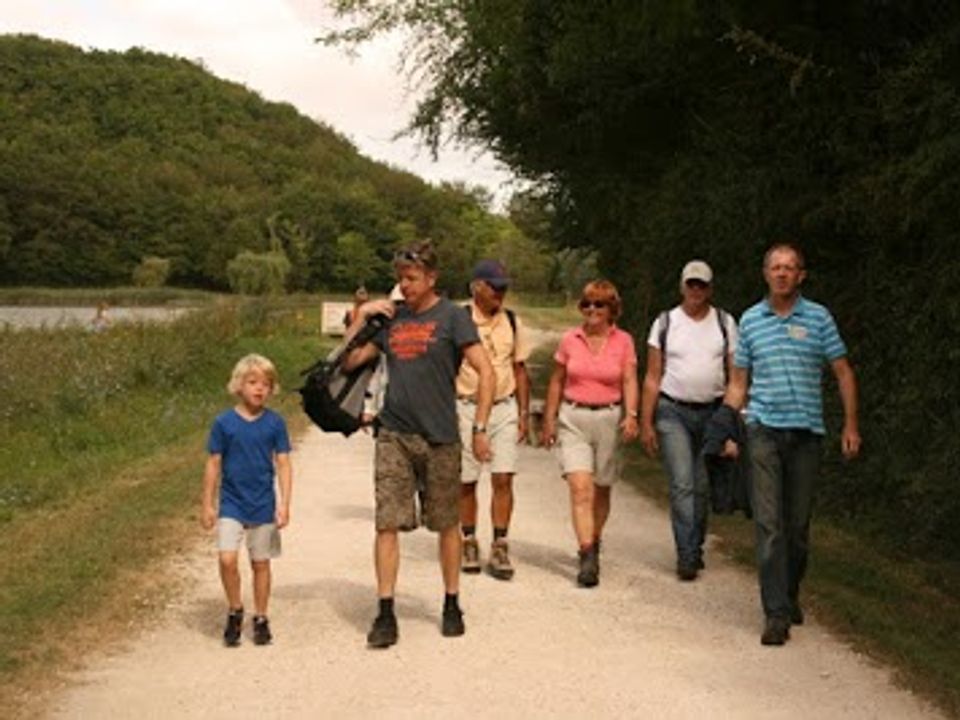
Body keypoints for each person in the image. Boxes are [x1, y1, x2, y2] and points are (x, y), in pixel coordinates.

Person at [342, 240, 495, 648]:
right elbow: (349, 361)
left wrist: (480, 427)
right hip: (393, 434)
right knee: (386, 522)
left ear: (432, 278)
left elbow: (486, 371)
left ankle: (451, 602)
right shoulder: (393, 319)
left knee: (446, 524)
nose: (404, 286)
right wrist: (362, 317)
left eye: (411, 279)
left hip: (440, 437)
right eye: (400, 279)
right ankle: (386, 611)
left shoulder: (453, 318)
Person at [723, 242, 861, 646]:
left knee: (797, 528)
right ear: (765, 274)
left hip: (806, 435)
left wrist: (850, 425)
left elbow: (843, 373)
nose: (782, 274)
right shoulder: (750, 320)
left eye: (790, 268)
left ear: (801, 275)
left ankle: (790, 592)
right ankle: (775, 613)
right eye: (775, 267)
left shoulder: (818, 319)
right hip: (762, 430)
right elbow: (738, 383)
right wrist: (728, 427)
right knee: (769, 525)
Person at [640, 260, 738, 581]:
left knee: (701, 486)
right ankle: (686, 553)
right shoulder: (666, 323)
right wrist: (645, 421)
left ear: (710, 289)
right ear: (682, 286)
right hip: (672, 411)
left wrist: (733, 424)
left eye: (702, 285)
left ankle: (695, 545)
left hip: (713, 412)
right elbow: (653, 377)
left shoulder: (724, 323)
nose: (696, 291)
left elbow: (736, 376)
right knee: (682, 484)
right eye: (691, 284)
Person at [540, 280, 640, 587]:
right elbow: (557, 380)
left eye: (599, 304)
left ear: (612, 309)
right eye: (587, 304)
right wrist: (549, 418)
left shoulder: (624, 341)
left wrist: (632, 415)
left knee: (602, 487)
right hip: (574, 417)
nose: (592, 310)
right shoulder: (570, 339)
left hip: (609, 417)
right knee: (580, 487)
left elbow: (629, 380)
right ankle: (586, 555)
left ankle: (595, 539)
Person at [201, 354, 293, 647]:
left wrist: (285, 503)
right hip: (232, 503)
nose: (259, 389)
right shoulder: (224, 423)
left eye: (266, 384)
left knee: (260, 563)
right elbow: (214, 464)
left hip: (263, 504)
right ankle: (235, 609)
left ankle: (261, 616)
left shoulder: (275, 423)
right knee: (227, 558)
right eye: (252, 382)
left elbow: (283, 463)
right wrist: (207, 504)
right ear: (238, 385)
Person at [457, 260, 532, 580]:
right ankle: (468, 539)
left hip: (504, 407)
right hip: (465, 405)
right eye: (495, 287)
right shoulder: (459, 320)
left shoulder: (512, 322)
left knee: (503, 477)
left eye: (505, 287)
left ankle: (500, 543)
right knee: (466, 480)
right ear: (477, 287)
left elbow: (520, 369)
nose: (501, 293)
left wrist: (524, 414)